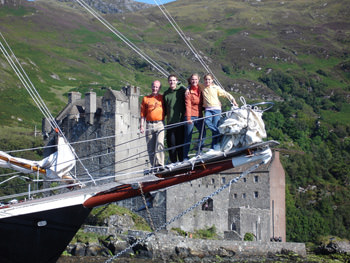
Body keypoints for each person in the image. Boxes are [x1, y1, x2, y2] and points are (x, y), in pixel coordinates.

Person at [202, 73, 238, 150]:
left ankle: (214, 146)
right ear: (204, 80)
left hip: (216, 109)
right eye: (206, 79)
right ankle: (218, 133)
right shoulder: (202, 87)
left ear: (212, 80)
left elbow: (225, 94)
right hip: (208, 109)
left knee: (215, 126)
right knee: (207, 121)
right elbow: (193, 85)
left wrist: (233, 100)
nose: (207, 81)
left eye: (209, 79)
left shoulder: (216, 88)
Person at [140, 80, 165, 167]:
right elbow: (142, 114)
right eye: (154, 86)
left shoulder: (162, 98)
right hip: (149, 125)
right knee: (150, 147)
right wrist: (141, 126)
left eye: (157, 87)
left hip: (160, 124)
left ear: (159, 88)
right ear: (151, 87)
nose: (155, 88)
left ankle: (160, 164)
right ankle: (154, 166)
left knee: (159, 143)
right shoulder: (145, 98)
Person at [163, 74, 187, 163]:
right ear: (168, 82)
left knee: (180, 143)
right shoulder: (166, 94)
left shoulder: (182, 90)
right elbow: (164, 108)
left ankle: (181, 161)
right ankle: (173, 162)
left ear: (176, 81)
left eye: (174, 80)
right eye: (170, 80)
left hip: (180, 122)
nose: (172, 82)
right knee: (171, 144)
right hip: (170, 123)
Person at [183, 73, 206, 160]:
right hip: (191, 115)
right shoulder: (188, 92)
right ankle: (185, 156)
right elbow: (188, 105)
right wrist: (188, 118)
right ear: (190, 80)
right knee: (188, 136)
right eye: (192, 79)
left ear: (198, 80)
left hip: (199, 115)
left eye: (196, 79)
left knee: (203, 133)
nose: (194, 81)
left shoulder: (201, 89)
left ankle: (199, 151)